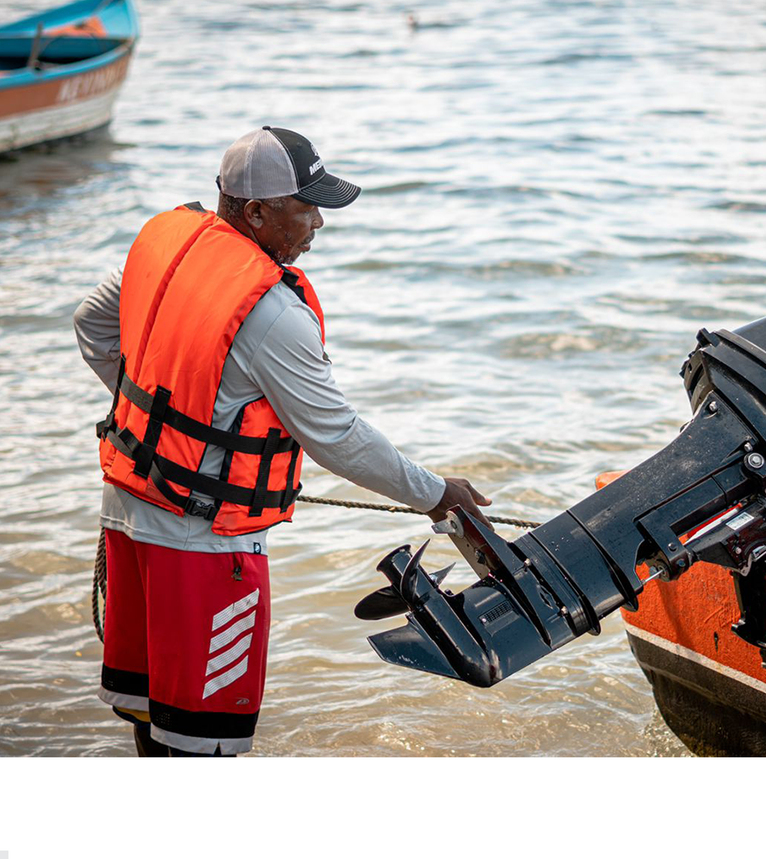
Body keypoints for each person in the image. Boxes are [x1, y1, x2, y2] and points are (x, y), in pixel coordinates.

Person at [73, 125, 492, 757]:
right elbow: (337, 437)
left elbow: (93, 327)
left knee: (153, 721)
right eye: (307, 206)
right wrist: (438, 495)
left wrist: (166, 429)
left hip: (129, 515)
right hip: (203, 547)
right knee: (203, 744)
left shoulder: (165, 246)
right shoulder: (271, 312)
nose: (319, 222)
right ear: (257, 212)